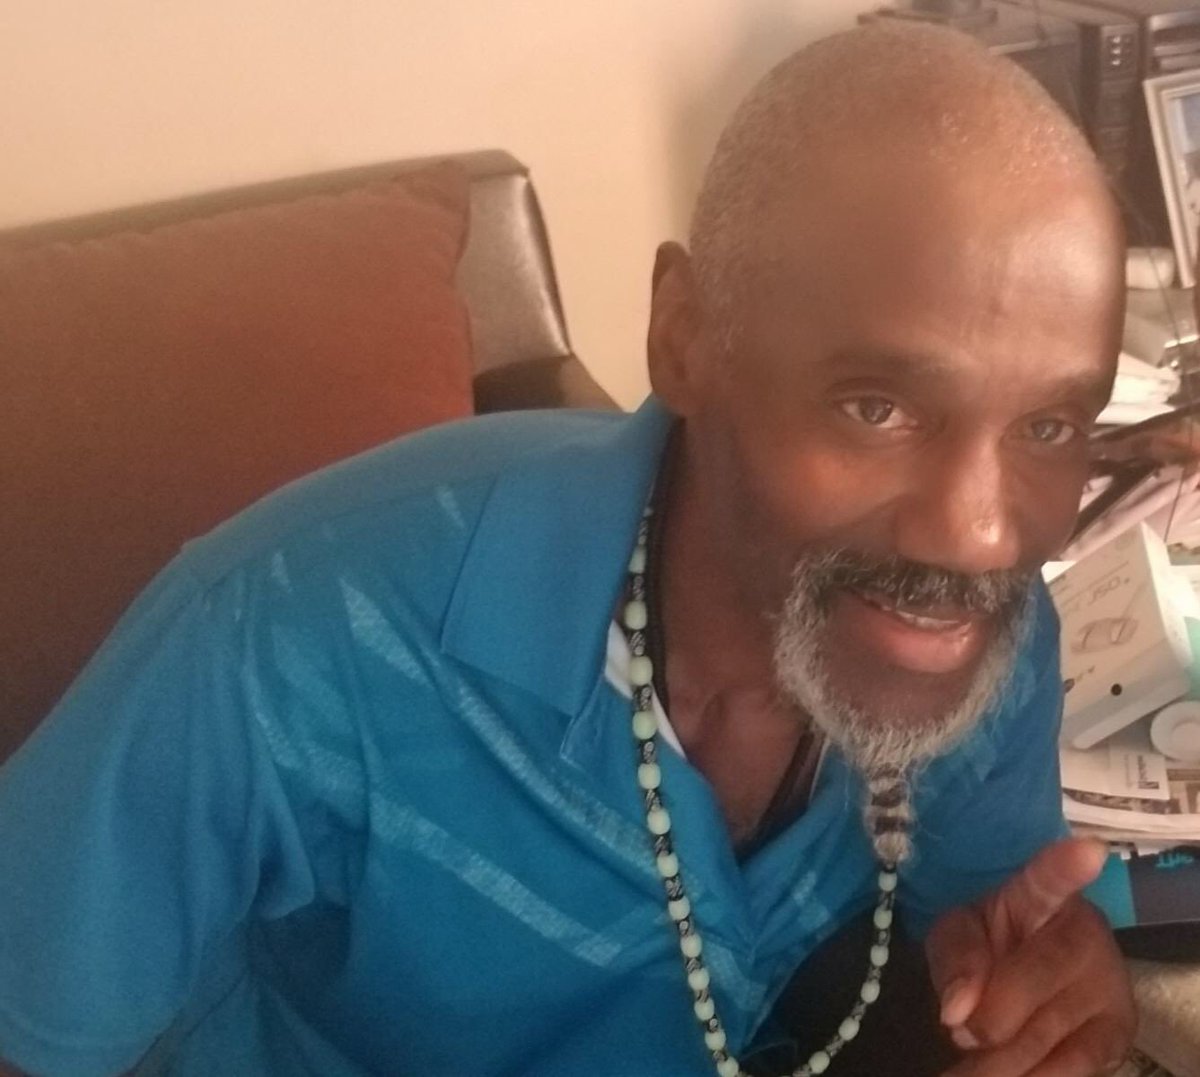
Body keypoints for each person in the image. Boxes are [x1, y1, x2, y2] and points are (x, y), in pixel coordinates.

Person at [0, 22, 1136, 1077]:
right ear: (685, 336)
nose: (980, 534)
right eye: (877, 407)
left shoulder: (968, 632)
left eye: (1048, 426)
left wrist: (1038, 984)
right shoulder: (288, 638)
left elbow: (969, 921)